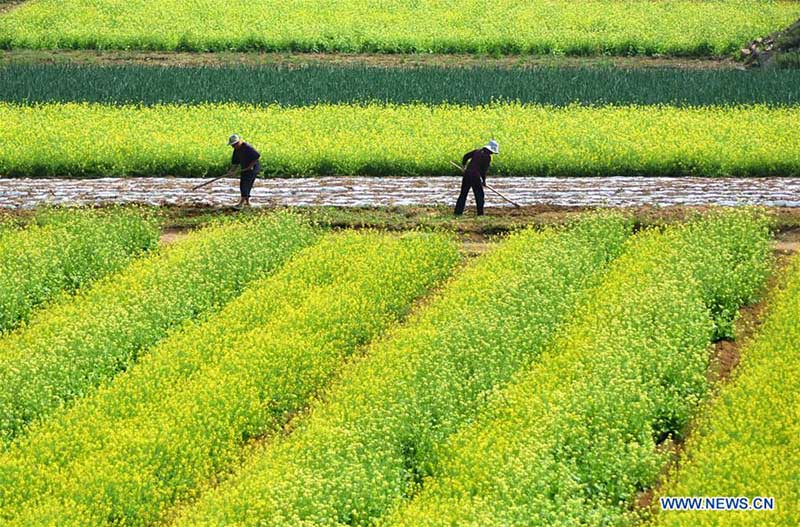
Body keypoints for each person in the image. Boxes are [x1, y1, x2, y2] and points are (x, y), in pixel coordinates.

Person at [454, 139, 499, 216]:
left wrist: (464, 166)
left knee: (463, 194)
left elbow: (466, 156)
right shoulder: (487, 157)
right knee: (479, 195)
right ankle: (480, 213)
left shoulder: (477, 151)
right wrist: (484, 181)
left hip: (467, 175)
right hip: (475, 176)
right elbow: (483, 171)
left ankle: (457, 212)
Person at [228, 134, 261, 207]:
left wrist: (250, 166)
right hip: (244, 168)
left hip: (253, 169)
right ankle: (246, 202)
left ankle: (243, 202)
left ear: (238, 142)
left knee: (246, 184)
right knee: (243, 184)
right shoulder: (236, 150)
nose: (233, 147)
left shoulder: (247, 147)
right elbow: (235, 162)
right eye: (232, 145)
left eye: (234, 145)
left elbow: (257, 156)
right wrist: (231, 171)